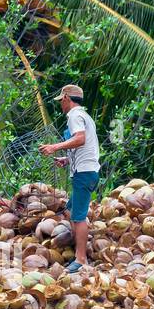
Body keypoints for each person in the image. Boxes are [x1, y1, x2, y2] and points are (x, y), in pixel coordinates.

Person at [39, 83, 101, 272]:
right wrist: (67, 159)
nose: (60, 105)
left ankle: (81, 260)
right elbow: (86, 146)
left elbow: (80, 139)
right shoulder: (85, 116)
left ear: (66, 98)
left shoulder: (74, 115)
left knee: (79, 216)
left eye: (61, 101)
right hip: (87, 171)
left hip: (84, 173)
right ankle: (80, 248)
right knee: (70, 209)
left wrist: (54, 147)